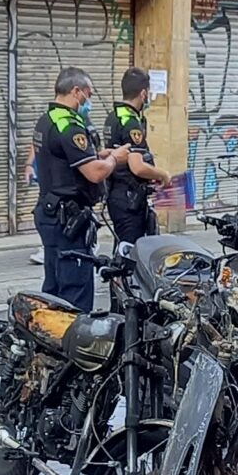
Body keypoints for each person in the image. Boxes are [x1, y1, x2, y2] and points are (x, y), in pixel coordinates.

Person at [31, 67, 124, 310]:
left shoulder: (47, 119)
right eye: (89, 94)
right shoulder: (70, 125)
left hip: (51, 213)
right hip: (67, 220)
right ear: (76, 92)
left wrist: (101, 154)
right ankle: (73, 346)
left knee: (54, 287)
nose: (89, 101)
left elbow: (61, 158)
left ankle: (48, 343)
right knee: (75, 291)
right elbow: (94, 173)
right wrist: (115, 159)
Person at [104, 68, 162, 247]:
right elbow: (137, 166)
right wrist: (162, 175)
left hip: (116, 194)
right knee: (130, 252)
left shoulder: (113, 116)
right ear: (143, 93)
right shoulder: (130, 122)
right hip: (129, 199)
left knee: (122, 248)